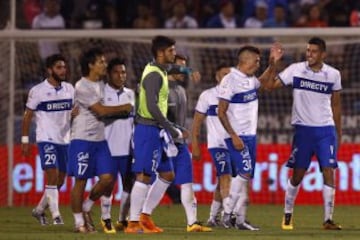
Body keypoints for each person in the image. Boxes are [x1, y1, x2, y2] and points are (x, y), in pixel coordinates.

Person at [268, 37, 342, 230]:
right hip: (303, 131)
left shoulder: (333, 74)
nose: (309, 54)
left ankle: (328, 219)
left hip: (326, 130)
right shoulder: (295, 69)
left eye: (314, 51)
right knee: (298, 175)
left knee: (329, 171)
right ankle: (287, 214)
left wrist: (338, 133)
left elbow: (336, 105)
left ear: (323, 54)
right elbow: (269, 86)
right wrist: (273, 64)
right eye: (308, 50)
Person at [125, 35, 188, 234]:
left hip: (157, 130)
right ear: (160, 53)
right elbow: (152, 106)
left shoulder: (160, 70)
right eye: (171, 50)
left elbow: (156, 104)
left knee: (167, 174)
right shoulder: (153, 74)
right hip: (147, 130)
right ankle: (133, 223)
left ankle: (145, 217)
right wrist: (170, 128)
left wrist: (168, 126)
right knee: (144, 175)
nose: (174, 53)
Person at [217, 44, 283, 230]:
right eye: (256, 60)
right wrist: (233, 135)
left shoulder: (250, 79)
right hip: (236, 136)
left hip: (250, 137)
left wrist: (272, 64)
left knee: (245, 176)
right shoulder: (230, 80)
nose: (258, 63)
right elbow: (221, 112)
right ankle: (227, 213)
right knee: (244, 171)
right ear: (245, 60)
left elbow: (263, 84)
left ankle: (238, 220)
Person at [68, 48, 132, 233]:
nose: (105, 65)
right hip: (82, 139)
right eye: (101, 62)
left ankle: (87, 206)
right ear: (90, 65)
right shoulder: (82, 86)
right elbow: (101, 111)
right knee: (81, 181)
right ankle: (79, 222)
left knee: (107, 179)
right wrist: (125, 107)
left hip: (100, 139)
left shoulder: (101, 85)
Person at [146, 54, 211, 232]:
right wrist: (174, 130)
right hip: (162, 142)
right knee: (154, 180)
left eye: (185, 66)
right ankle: (140, 216)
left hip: (180, 143)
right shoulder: (161, 88)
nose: (183, 71)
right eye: (179, 67)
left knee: (187, 181)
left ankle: (192, 223)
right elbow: (158, 116)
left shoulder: (181, 90)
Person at [22, 54, 74, 225]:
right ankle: (56, 216)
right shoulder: (37, 91)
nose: (63, 70)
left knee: (60, 179)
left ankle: (38, 210)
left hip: (65, 139)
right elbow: (28, 115)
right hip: (46, 138)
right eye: (59, 67)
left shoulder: (70, 89)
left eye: (64, 67)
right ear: (50, 70)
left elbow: (75, 111)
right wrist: (24, 140)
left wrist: (75, 115)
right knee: (52, 174)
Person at [99, 58, 136, 234]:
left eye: (123, 72)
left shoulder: (131, 93)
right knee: (108, 185)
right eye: (116, 72)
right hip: (108, 147)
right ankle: (105, 218)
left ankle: (122, 219)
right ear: (108, 74)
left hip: (127, 148)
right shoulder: (101, 93)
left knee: (129, 184)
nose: (121, 76)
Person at [191, 63, 231, 227]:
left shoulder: (236, 95)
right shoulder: (207, 95)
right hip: (217, 144)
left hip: (234, 144)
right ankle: (229, 215)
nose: (226, 79)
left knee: (223, 180)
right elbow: (197, 122)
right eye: (223, 75)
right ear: (216, 77)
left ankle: (212, 218)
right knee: (226, 177)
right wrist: (195, 143)